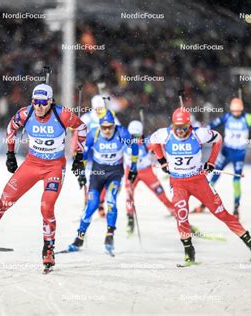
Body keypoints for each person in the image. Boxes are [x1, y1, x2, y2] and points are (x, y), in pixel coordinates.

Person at [0, 83, 87, 272]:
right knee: (5, 200)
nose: (39, 107)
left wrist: (79, 156)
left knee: (47, 206)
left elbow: (82, 128)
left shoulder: (62, 114)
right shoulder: (25, 114)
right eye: (36, 102)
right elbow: (11, 129)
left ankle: (48, 249)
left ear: (51, 102)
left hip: (54, 167)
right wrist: (10, 154)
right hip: (32, 164)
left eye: (44, 102)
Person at [150, 107, 251, 264]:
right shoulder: (164, 134)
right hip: (178, 182)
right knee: (181, 214)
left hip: (198, 181)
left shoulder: (199, 134)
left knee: (222, 214)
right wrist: (162, 161)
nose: (180, 132)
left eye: (184, 128)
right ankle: (188, 250)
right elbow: (153, 141)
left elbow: (218, 138)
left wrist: (211, 162)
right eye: (177, 128)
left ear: (189, 124)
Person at [68, 110, 138, 253]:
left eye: (110, 127)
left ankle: (109, 235)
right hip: (97, 173)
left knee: (111, 201)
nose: (107, 130)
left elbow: (135, 147)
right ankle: (79, 238)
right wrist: (81, 174)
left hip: (115, 173)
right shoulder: (94, 134)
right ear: (100, 126)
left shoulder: (121, 133)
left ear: (114, 125)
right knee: (91, 206)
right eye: (104, 127)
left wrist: (133, 168)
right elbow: (83, 154)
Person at [193, 97, 251, 218]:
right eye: (234, 111)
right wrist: (200, 133)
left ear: (241, 109)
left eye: (237, 111)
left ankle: (236, 209)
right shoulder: (227, 117)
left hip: (239, 153)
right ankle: (204, 203)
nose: (235, 114)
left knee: (236, 180)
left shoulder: (248, 118)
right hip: (226, 151)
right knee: (214, 176)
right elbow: (212, 125)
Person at [124, 120, 174, 235]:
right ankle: (130, 217)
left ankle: (175, 213)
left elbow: (160, 146)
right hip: (131, 172)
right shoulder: (124, 142)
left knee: (161, 194)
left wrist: (155, 153)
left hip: (146, 172)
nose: (134, 139)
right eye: (132, 136)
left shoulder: (147, 141)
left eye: (137, 136)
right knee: (129, 195)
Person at [77, 95, 121, 218]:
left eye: (101, 108)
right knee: (89, 178)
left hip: (103, 151)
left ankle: (100, 203)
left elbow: (119, 129)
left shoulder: (109, 116)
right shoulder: (87, 118)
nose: (99, 110)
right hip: (89, 152)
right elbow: (78, 132)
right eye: (97, 108)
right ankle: (88, 205)